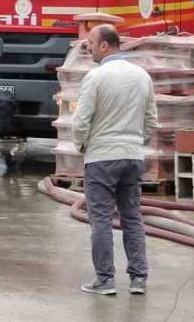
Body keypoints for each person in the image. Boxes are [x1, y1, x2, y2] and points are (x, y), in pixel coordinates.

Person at [73, 24, 157, 297]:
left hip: (102, 158)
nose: (88, 47)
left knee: (101, 220)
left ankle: (105, 280)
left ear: (105, 46)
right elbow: (151, 120)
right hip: (133, 157)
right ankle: (138, 279)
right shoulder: (142, 76)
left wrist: (83, 146)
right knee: (132, 217)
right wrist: (134, 142)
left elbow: (81, 120)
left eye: (91, 43)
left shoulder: (96, 78)